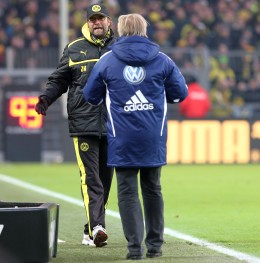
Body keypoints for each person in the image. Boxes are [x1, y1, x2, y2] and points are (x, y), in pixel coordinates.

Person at [83, 14, 188, 259]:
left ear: (120, 30)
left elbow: (91, 95)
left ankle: (134, 249)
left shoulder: (108, 60)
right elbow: (180, 93)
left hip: (122, 137)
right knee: (153, 189)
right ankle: (155, 246)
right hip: (153, 135)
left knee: (127, 191)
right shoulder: (162, 59)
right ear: (144, 29)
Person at [35, 2, 115, 247]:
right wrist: (46, 98)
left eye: (101, 18)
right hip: (84, 122)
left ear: (109, 22)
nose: (97, 22)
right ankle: (97, 227)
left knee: (106, 179)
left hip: (114, 124)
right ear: (87, 23)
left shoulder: (121, 48)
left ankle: (90, 228)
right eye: (93, 19)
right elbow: (59, 79)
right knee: (90, 178)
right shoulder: (74, 48)